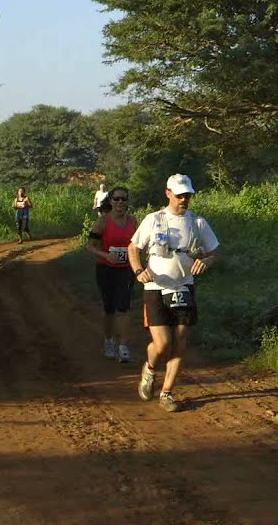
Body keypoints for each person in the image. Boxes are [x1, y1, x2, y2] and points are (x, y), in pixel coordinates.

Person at [128, 173, 219, 411]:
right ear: (168, 194)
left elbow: (214, 252)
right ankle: (149, 369)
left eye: (187, 195)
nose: (184, 199)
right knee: (162, 344)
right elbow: (133, 248)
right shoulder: (153, 219)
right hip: (156, 287)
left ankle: (167, 392)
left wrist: (206, 262)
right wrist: (138, 270)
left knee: (179, 340)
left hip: (184, 286)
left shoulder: (197, 222)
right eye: (179, 195)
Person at [86, 186, 137, 363]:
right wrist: (105, 255)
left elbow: (139, 245)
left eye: (123, 199)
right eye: (116, 199)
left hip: (126, 269)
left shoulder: (134, 221)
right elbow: (90, 246)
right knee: (109, 308)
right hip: (106, 269)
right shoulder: (103, 222)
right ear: (110, 201)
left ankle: (123, 346)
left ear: (127, 202)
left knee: (123, 306)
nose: (120, 202)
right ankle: (108, 342)